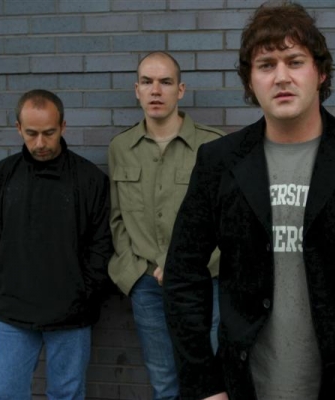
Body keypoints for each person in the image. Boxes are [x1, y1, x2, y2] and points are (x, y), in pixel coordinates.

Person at [163, 3, 335, 400]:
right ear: (250, 81)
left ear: (321, 73)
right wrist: (204, 384)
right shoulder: (219, 162)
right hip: (246, 386)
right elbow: (183, 273)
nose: (281, 76)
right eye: (266, 65)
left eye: (295, 61)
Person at [0, 89, 113, 400]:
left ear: (63, 126)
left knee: (66, 395)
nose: (40, 143)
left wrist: (84, 291)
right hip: (14, 310)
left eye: (49, 133)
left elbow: (103, 243)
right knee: (6, 394)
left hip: (72, 313)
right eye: (31, 133)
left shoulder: (89, 179)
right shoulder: (2, 176)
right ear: (18, 128)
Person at [107, 51, 224, 400]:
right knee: (164, 384)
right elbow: (117, 218)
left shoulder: (213, 145)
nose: (155, 90)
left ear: (181, 90)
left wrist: (186, 266)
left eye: (165, 82)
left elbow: (227, 222)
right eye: (147, 82)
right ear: (137, 90)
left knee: (211, 382)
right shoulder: (121, 148)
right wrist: (132, 272)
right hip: (147, 285)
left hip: (204, 283)